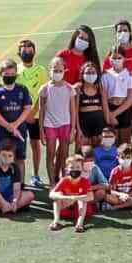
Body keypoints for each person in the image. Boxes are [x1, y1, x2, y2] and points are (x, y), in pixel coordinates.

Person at [0, 59, 32, 185]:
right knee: (2, 158)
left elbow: (27, 108)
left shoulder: (22, 89)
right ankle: (3, 185)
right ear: (1, 74)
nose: (10, 77)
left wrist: (15, 125)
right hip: (1, 131)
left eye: (12, 75)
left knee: (19, 158)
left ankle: (20, 184)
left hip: (20, 130)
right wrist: (8, 126)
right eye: (7, 75)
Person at [38, 57, 77, 185]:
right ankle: (52, 183)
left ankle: (63, 180)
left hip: (65, 125)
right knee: (50, 153)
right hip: (49, 125)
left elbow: (73, 111)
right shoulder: (44, 89)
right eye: (55, 70)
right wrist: (41, 131)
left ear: (64, 71)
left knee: (64, 154)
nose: (57, 73)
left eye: (60, 70)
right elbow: (41, 111)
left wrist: (72, 130)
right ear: (50, 70)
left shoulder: (70, 89)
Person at [17, 39, 48, 187]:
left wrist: (33, 111)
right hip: (19, 116)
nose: (26, 50)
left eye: (29, 47)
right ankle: (18, 176)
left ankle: (35, 175)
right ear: (19, 52)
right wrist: (24, 113)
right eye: (23, 48)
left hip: (35, 115)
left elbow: (43, 94)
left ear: (34, 51)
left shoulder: (41, 70)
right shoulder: (15, 70)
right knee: (18, 146)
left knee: (35, 144)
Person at [103, 20, 132, 122]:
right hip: (115, 96)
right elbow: (105, 76)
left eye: (125, 30)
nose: (122, 33)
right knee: (116, 127)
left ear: (130, 33)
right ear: (116, 34)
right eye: (119, 31)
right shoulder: (111, 54)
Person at [0, 141, 34, 215]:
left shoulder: (15, 168)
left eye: (10, 156)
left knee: (30, 195)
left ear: (13, 157)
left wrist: (15, 201)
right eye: (3, 155)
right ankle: (10, 208)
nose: (6, 158)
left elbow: (16, 189)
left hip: (11, 197)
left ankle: (2, 209)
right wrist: (3, 203)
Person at [49, 155, 93, 233]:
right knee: (57, 196)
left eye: (78, 167)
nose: (75, 170)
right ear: (66, 170)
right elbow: (51, 195)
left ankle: (80, 224)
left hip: (80, 210)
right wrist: (67, 198)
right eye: (72, 167)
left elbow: (91, 197)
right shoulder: (64, 180)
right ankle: (56, 221)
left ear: (82, 169)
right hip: (66, 208)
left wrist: (75, 198)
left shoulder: (85, 181)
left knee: (83, 200)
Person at [102, 46, 132, 143]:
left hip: (124, 110)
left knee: (125, 142)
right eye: (113, 58)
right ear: (109, 58)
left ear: (124, 58)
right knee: (112, 142)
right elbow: (104, 98)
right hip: (110, 108)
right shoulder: (105, 75)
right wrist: (109, 115)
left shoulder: (129, 75)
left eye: (119, 58)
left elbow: (130, 99)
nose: (116, 60)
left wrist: (114, 114)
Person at [75, 61, 108, 147]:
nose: (90, 75)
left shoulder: (100, 88)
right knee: (84, 151)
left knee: (98, 151)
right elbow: (75, 112)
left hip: (99, 123)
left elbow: (105, 109)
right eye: (88, 73)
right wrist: (78, 129)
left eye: (93, 72)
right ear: (82, 74)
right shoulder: (78, 88)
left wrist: (107, 126)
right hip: (84, 124)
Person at [104, 144, 132, 211]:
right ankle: (130, 205)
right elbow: (112, 190)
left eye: (128, 157)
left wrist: (127, 196)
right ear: (118, 158)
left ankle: (117, 207)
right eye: (122, 157)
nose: (125, 160)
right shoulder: (115, 172)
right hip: (119, 197)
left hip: (130, 196)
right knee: (107, 197)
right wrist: (121, 195)